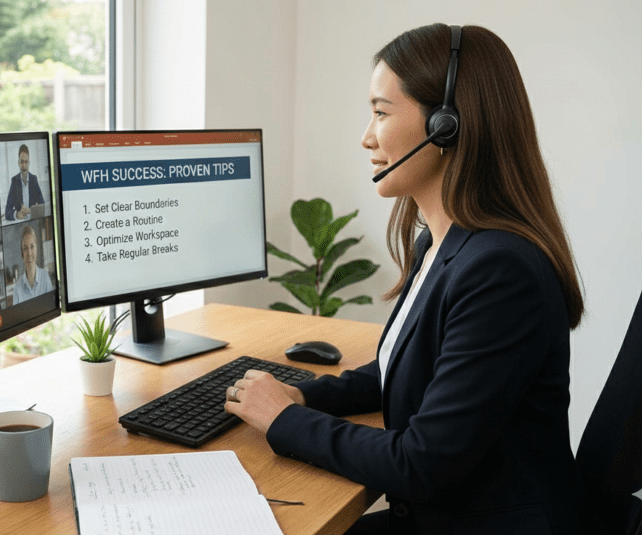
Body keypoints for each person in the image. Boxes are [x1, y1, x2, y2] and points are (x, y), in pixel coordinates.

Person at [224, 24, 587, 534]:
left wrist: (285, 422)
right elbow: (399, 371)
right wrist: (303, 396)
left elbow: (421, 464)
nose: (367, 137)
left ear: (447, 126)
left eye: (380, 112)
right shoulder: (442, 241)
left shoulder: (500, 270)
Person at [4, 144, 45, 221]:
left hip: (33, 221)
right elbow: (7, 212)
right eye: (22, 162)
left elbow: (43, 206)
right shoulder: (14, 181)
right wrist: (16, 214)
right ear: (18, 163)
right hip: (20, 223)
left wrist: (31, 211)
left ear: (29, 163)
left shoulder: (34, 179)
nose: (24, 165)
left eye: (26, 162)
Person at [13, 225, 53, 303]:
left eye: (32, 247)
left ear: (36, 248)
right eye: (25, 248)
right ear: (22, 253)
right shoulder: (17, 288)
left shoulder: (45, 277)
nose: (29, 253)